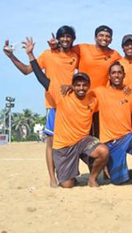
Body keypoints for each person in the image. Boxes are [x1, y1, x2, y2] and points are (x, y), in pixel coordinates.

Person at [24, 37, 109, 188]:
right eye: (78, 85)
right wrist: (31, 55)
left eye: (84, 85)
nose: (81, 88)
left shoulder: (93, 100)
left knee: (103, 151)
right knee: (67, 185)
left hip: (82, 142)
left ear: (89, 86)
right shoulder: (61, 95)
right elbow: (41, 78)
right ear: (73, 86)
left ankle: (92, 178)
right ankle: (69, 174)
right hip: (64, 146)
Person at [3, 26, 78, 187]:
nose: (65, 39)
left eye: (68, 36)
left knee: (73, 141)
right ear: (58, 38)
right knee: (50, 143)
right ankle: (52, 178)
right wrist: (12, 56)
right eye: (62, 36)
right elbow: (26, 70)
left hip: (72, 106)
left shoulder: (76, 55)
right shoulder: (47, 55)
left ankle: (69, 173)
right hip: (53, 105)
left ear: (73, 39)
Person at [91, 61, 132, 188]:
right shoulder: (100, 92)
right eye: (113, 73)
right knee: (119, 181)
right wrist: (69, 87)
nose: (117, 75)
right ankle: (124, 172)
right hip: (110, 142)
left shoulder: (131, 95)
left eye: (119, 72)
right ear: (109, 76)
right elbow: (81, 97)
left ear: (124, 75)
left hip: (127, 137)